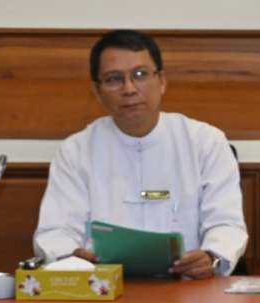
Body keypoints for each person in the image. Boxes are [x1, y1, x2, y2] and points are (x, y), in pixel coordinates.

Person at [33, 29, 247, 278]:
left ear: (162, 81)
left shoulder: (205, 142)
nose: (129, 89)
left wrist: (211, 257)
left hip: (188, 285)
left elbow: (226, 224)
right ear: (97, 91)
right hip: (103, 286)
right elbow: (56, 231)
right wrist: (71, 257)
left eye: (140, 75)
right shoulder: (76, 151)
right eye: (114, 79)